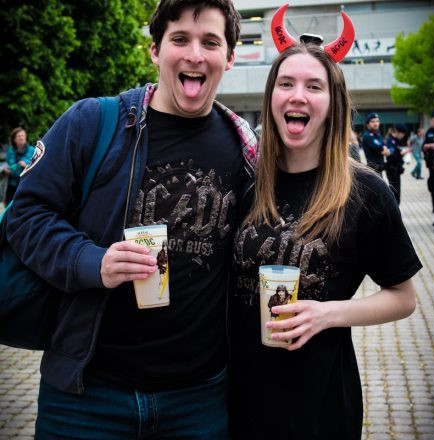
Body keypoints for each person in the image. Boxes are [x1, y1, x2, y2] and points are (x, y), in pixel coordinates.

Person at [6, 0, 257, 438]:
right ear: (155, 51)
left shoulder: (247, 151)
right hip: (87, 398)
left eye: (210, 42)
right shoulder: (93, 122)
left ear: (230, 57)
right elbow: (26, 215)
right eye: (180, 39)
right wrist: (92, 261)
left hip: (198, 400)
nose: (195, 54)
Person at [228, 6, 421, 439]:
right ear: (271, 98)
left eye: (314, 86)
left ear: (333, 104)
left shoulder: (366, 192)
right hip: (235, 402)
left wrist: (327, 314)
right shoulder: (245, 180)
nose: (297, 95)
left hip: (320, 406)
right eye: (286, 84)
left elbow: (404, 298)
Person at [2, 127, 34, 203]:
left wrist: (26, 166)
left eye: (23, 135)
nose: (21, 138)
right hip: (12, 184)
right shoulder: (10, 150)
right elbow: (6, 163)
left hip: (26, 184)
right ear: (14, 139)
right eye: (18, 136)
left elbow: (37, 166)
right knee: (9, 204)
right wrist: (6, 169)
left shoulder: (32, 150)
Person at [423, 108, 434, 230]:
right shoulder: (430, 131)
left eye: (433, 119)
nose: (431, 121)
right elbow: (424, 145)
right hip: (432, 168)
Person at [385, 123, 407, 205]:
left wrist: (401, 154)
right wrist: (401, 154)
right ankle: (393, 207)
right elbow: (390, 156)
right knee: (394, 191)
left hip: (397, 169)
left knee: (397, 191)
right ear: (398, 132)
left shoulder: (397, 140)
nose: (403, 136)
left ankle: (396, 206)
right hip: (392, 169)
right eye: (402, 134)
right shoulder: (391, 141)